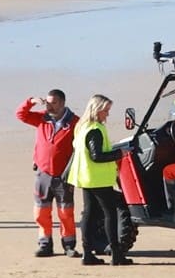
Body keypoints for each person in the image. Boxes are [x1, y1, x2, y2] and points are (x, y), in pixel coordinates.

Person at [66, 94, 133, 266]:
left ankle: (87, 254)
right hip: (98, 179)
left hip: (85, 177)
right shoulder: (95, 129)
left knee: (89, 214)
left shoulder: (82, 127)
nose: (107, 114)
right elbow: (97, 156)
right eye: (106, 110)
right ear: (97, 110)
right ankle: (116, 254)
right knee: (109, 214)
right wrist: (120, 153)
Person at [16, 89, 79, 257]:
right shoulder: (42, 118)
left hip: (64, 176)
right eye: (48, 102)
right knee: (41, 211)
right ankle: (45, 244)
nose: (50, 106)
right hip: (43, 174)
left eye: (54, 103)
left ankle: (69, 245)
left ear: (63, 103)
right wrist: (31, 101)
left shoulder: (74, 122)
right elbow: (21, 115)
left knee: (66, 212)